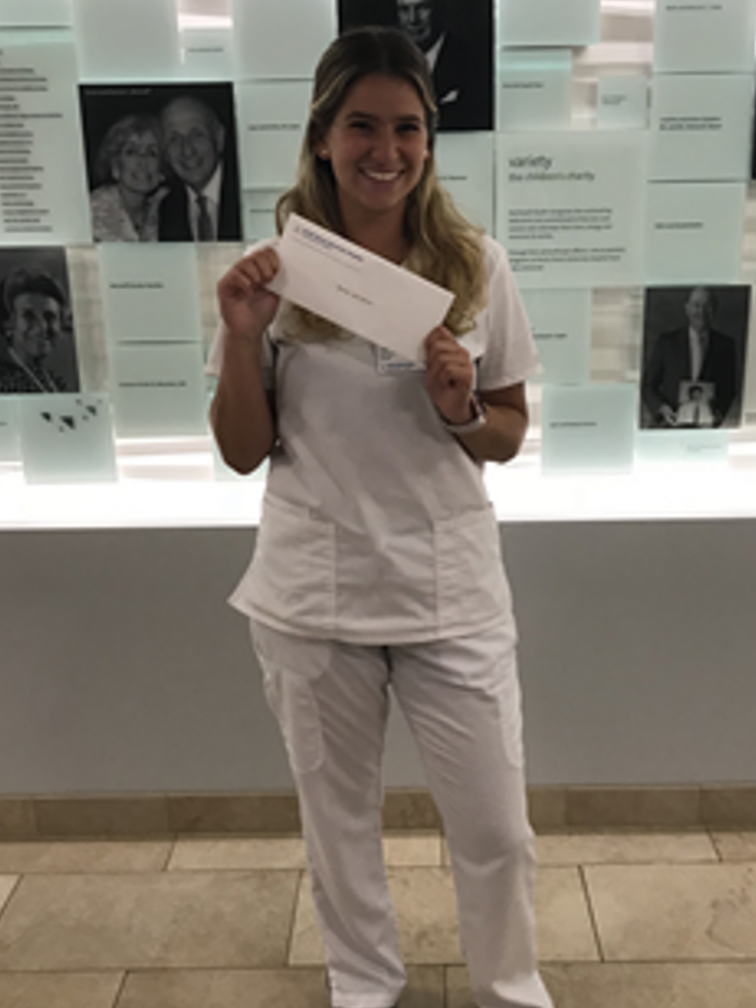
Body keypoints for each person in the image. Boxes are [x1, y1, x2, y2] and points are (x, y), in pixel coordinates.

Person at [208, 26, 553, 1008]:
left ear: (429, 142)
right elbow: (242, 450)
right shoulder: (272, 276)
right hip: (315, 595)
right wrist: (241, 341)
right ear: (323, 137)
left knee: (496, 828)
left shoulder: (475, 266)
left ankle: (510, 987)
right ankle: (363, 987)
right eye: (362, 126)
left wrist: (461, 409)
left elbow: (507, 432)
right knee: (340, 823)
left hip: (450, 589)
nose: (385, 151)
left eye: (407, 128)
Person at [641, 286, 739, 428]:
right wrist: (662, 409)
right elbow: (648, 385)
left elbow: (729, 388)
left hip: (707, 428)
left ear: (714, 310)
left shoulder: (726, 345)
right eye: (696, 305)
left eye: (707, 306)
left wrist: (718, 414)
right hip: (670, 425)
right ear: (687, 309)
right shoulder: (667, 342)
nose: (701, 312)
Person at [394, 0, 492, 130]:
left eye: (422, 8)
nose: (413, 20)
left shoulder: (474, 61)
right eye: (404, 10)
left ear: (440, 8)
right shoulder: (386, 62)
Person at [158, 95, 241, 242]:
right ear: (164, 152)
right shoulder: (168, 209)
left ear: (219, 138)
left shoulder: (245, 193)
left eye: (197, 135)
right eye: (174, 139)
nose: (187, 150)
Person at [89, 113, 168, 242]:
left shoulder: (168, 206)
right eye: (131, 152)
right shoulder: (92, 212)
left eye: (152, 153)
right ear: (115, 164)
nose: (143, 161)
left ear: (162, 168)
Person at [0, 268, 72, 393]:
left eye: (50, 316)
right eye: (29, 316)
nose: (42, 327)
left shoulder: (56, 383)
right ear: (8, 323)